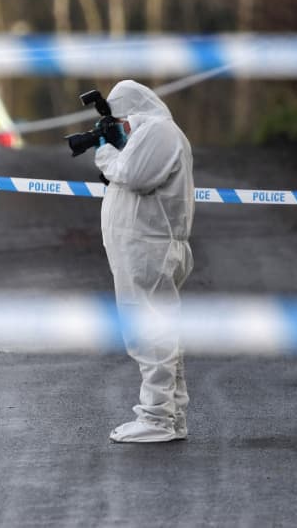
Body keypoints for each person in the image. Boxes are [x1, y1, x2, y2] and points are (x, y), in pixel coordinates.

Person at [94, 80, 195, 443]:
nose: (120, 129)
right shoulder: (150, 133)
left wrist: (105, 153)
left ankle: (157, 417)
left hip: (148, 250)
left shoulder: (158, 131)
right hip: (141, 249)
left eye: (121, 121)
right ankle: (171, 414)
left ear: (132, 111)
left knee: (149, 332)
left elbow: (135, 177)